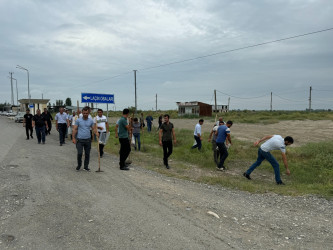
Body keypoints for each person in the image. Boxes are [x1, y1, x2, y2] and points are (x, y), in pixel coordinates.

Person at [72, 107, 98, 172]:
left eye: (86, 113)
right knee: (80, 153)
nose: (85, 114)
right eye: (84, 113)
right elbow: (75, 129)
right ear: (82, 113)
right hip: (80, 140)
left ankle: (86, 167)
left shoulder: (90, 121)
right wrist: (73, 138)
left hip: (88, 140)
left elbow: (93, 128)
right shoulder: (78, 120)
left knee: (87, 154)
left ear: (88, 113)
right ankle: (79, 165)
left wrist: (96, 132)